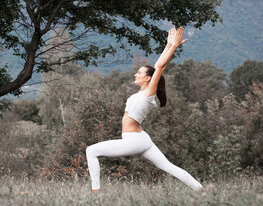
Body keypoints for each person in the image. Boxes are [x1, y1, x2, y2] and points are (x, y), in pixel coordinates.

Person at [86, 27, 203, 192]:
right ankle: (202, 190)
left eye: (139, 73)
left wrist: (174, 47)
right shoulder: (142, 93)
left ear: (148, 78)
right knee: (168, 166)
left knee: (91, 151)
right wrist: (168, 45)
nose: (135, 74)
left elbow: (160, 67)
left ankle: (95, 193)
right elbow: (157, 66)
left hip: (134, 140)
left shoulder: (149, 93)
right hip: (142, 138)